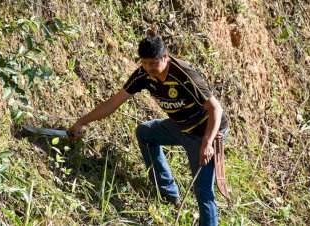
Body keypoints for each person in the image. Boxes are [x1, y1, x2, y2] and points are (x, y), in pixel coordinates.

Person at [69, 35, 228, 226]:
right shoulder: (143, 75)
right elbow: (114, 102)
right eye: (144, 63)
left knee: (203, 192)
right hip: (180, 127)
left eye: (152, 63)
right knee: (145, 133)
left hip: (204, 132)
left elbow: (215, 109)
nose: (148, 68)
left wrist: (207, 143)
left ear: (165, 57)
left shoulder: (183, 74)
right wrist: (81, 122)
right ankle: (168, 194)